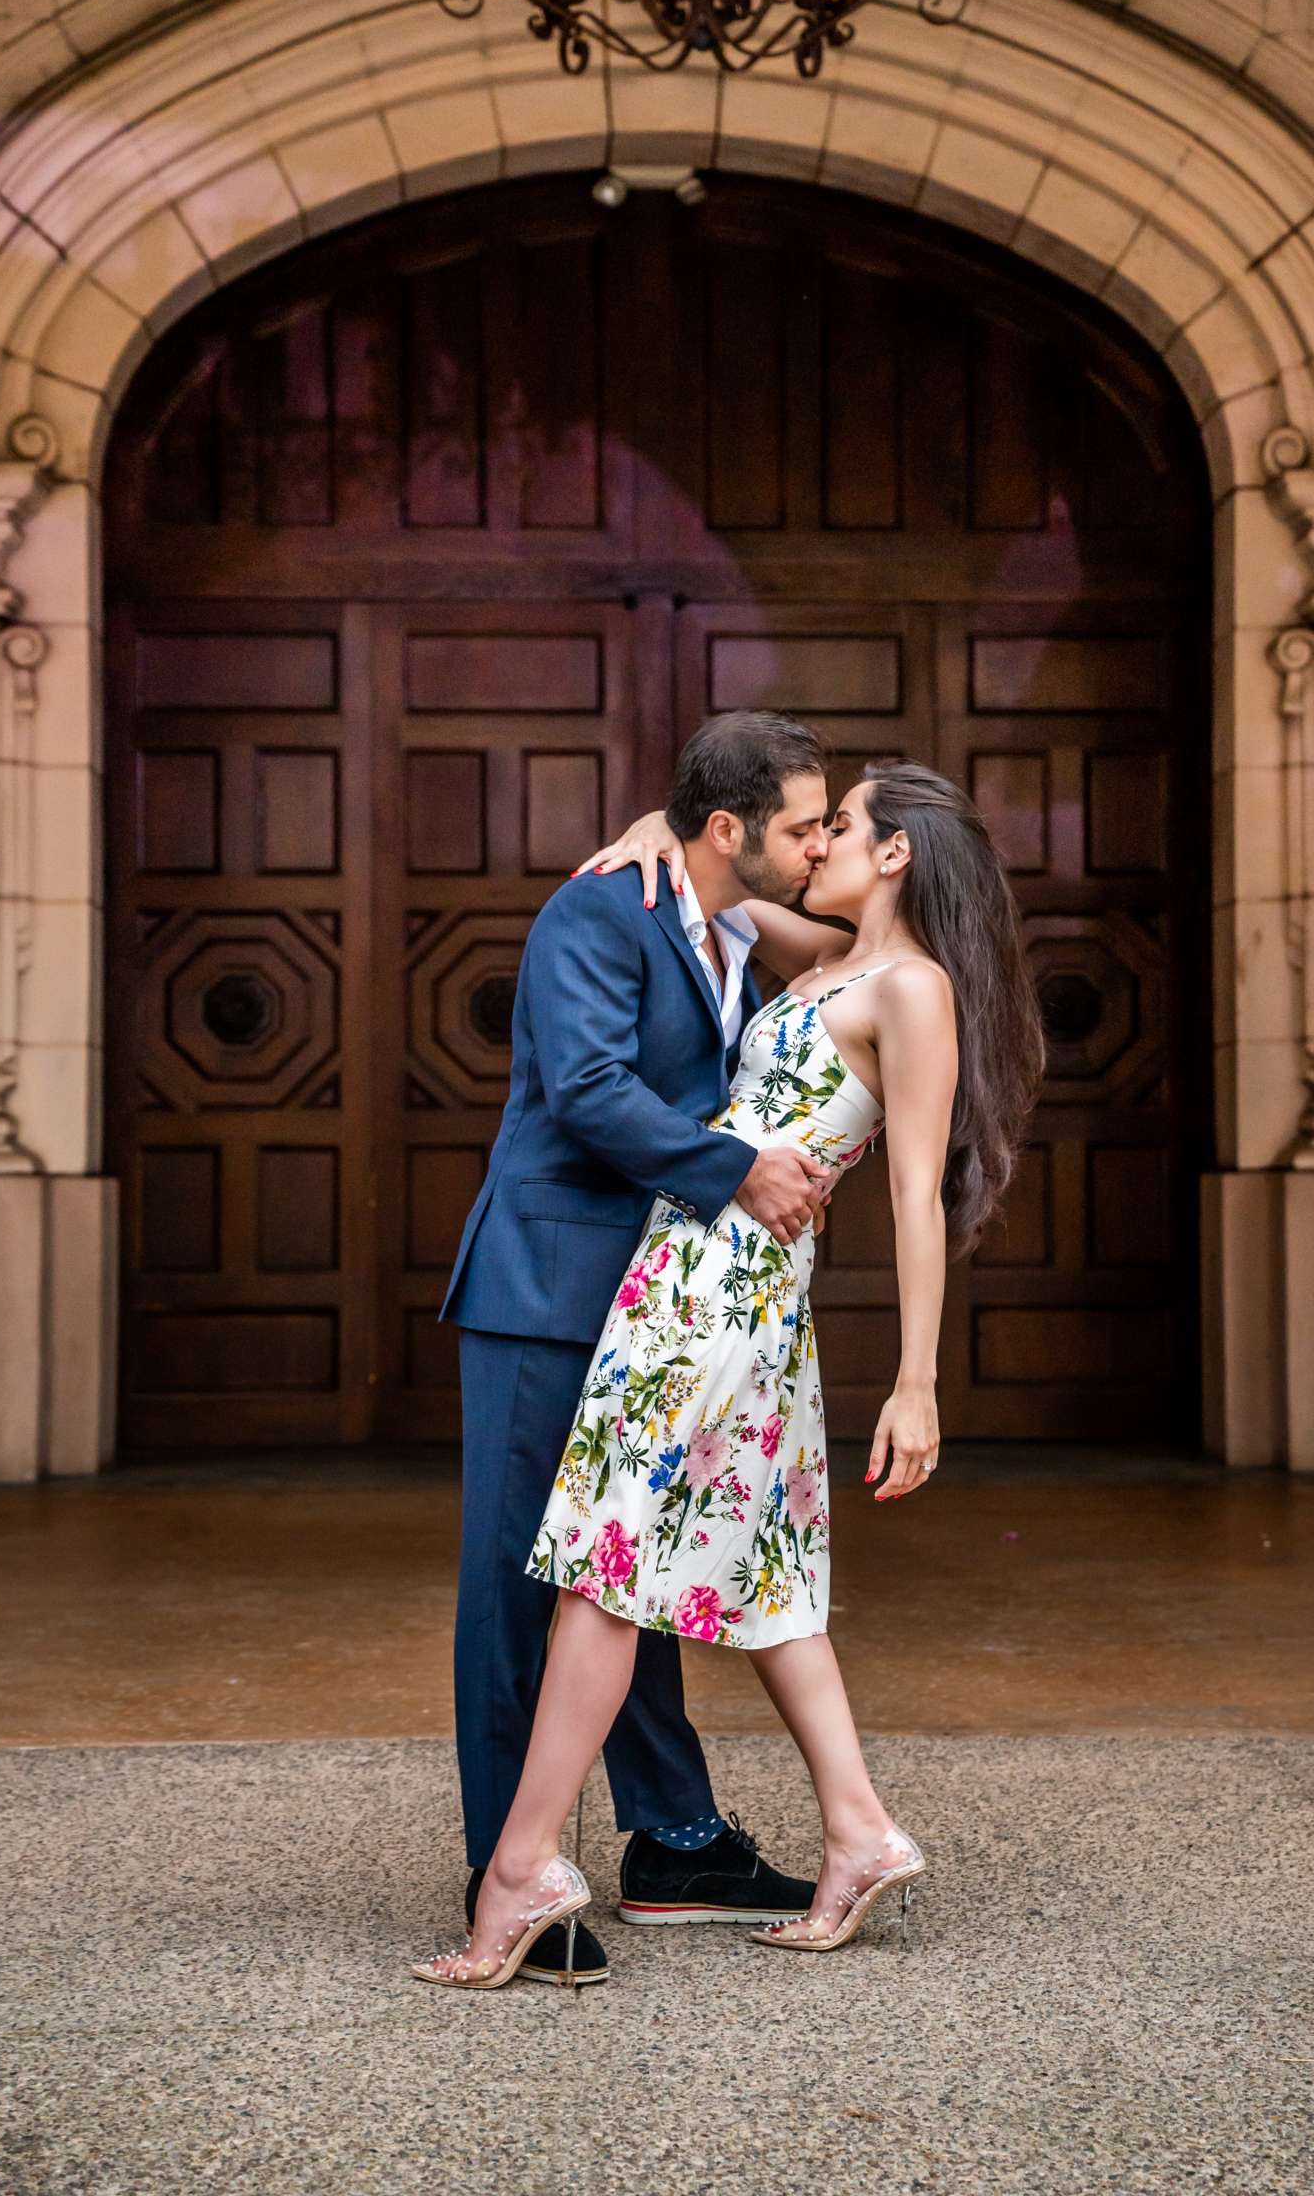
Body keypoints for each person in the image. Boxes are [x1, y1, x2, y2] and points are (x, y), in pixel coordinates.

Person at [416, 755, 1045, 1989]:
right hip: (689, 1280)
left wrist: (918, 1381)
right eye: (809, 828)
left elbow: (917, 1199)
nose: (818, 846)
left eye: (840, 828)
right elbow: (720, 866)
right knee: (766, 1582)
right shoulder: (815, 953)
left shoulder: (911, 989)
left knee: (604, 1571)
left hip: (721, 1298)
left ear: (898, 851)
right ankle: (859, 1832)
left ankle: (521, 1868)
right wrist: (660, 817)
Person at [436, 711, 839, 1985]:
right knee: (516, 1586)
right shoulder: (599, 913)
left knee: (630, 1568)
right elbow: (590, 1089)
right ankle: (510, 1875)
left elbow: (870, 942)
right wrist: (743, 1172)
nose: (822, 844)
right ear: (730, 830)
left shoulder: (726, 919)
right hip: (544, 1287)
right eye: (802, 827)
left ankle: (672, 1843)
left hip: (648, 1305)